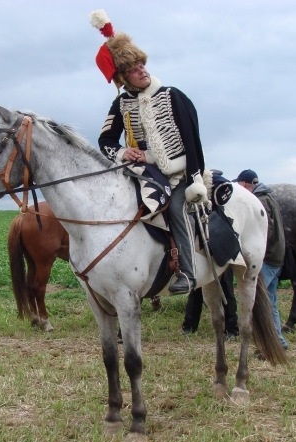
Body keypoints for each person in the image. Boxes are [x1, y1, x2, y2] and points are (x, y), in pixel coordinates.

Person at [89, 9, 208, 295]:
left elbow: (192, 140)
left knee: (177, 210)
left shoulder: (172, 96)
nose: (142, 70)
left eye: (142, 64)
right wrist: (121, 153)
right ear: (124, 78)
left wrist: (194, 178)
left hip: (178, 173)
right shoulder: (120, 104)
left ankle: (188, 274)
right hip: (140, 173)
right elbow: (105, 140)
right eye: (134, 68)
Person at [234, 169, 289, 350]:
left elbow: (265, 233)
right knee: (270, 300)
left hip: (268, 258)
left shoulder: (259, 202)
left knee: (258, 300)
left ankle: (269, 344)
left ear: (243, 184)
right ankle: (278, 341)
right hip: (277, 256)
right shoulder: (269, 198)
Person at [181, 267, 239, 338]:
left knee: (226, 286)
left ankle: (231, 329)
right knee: (197, 287)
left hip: (222, 258)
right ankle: (189, 326)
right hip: (203, 258)